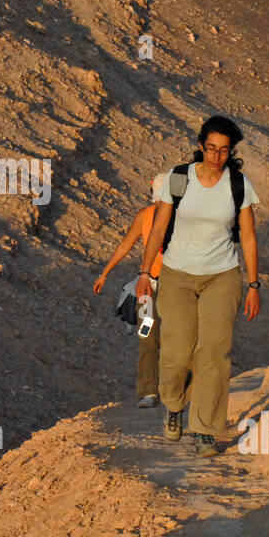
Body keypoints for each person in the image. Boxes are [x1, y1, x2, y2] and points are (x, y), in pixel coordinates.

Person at [137, 115, 261, 457]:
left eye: (224, 150)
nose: (217, 156)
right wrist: (145, 274)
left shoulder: (239, 184)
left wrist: (253, 284)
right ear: (201, 146)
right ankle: (174, 405)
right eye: (211, 148)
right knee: (177, 352)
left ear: (231, 150)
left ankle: (206, 428)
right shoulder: (179, 179)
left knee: (214, 352)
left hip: (222, 275)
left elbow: (248, 236)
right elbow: (159, 228)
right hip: (177, 274)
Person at [93, 175, 169, 408]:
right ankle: (149, 390)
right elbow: (126, 244)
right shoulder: (144, 216)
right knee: (147, 334)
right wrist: (105, 272)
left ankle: (176, 387)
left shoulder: (182, 217)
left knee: (174, 335)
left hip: (175, 285)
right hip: (146, 286)